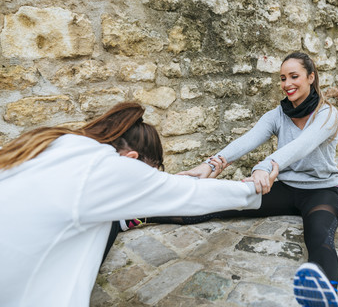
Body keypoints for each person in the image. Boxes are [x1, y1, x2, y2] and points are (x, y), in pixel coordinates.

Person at [0, 102, 278, 307]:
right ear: (131, 158)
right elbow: (192, 194)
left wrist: (159, 186)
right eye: (151, 172)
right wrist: (253, 187)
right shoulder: (108, 169)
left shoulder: (59, 143)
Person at [132, 52, 338, 306]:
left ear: (311, 77)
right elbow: (247, 140)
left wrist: (265, 166)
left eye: (294, 76)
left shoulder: (328, 114)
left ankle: (323, 292)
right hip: (286, 188)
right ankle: (138, 214)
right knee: (219, 204)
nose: (287, 83)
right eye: (282, 78)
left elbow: (302, 145)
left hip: (323, 191)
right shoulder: (277, 115)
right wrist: (212, 164)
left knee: (319, 233)